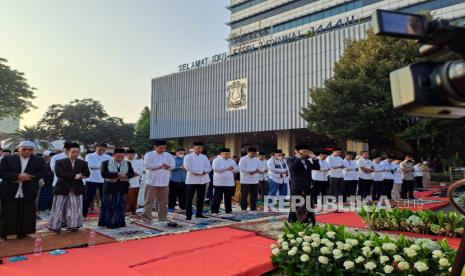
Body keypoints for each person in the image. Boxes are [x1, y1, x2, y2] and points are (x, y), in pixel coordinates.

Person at [0, 141, 45, 240]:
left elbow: (41, 173)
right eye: (24, 149)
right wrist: (17, 176)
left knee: (26, 212)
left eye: (30, 150)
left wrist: (28, 177)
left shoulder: (38, 160)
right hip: (10, 189)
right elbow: (2, 173)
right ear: (18, 148)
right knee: (8, 212)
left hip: (28, 189)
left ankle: (23, 232)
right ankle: (5, 233)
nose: (27, 151)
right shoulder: (7, 159)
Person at [49, 143, 90, 233]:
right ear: (68, 152)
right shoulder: (60, 161)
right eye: (73, 152)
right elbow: (59, 173)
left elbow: (87, 173)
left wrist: (80, 175)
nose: (75, 154)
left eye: (77, 152)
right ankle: (55, 226)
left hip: (76, 187)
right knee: (59, 207)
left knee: (75, 207)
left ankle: (74, 225)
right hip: (62, 187)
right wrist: (75, 176)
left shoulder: (82, 162)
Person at [98, 148, 134, 228]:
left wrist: (126, 175)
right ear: (113, 155)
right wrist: (117, 174)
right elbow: (104, 174)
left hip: (122, 187)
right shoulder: (105, 163)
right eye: (118, 157)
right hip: (110, 187)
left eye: (122, 157)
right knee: (110, 205)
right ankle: (109, 223)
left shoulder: (127, 163)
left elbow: (131, 173)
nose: (120, 159)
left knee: (121, 205)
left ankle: (120, 223)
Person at [143, 141, 175, 222]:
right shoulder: (149, 154)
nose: (163, 149)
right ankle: (146, 218)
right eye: (161, 148)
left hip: (164, 181)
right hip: (152, 181)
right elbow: (147, 165)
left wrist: (168, 166)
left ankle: (163, 218)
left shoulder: (168, 155)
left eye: (164, 148)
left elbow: (173, 166)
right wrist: (159, 166)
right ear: (156, 147)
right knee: (149, 201)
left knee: (163, 202)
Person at [288, 144, 320, 225]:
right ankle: (293, 220)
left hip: (307, 185)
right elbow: (293, 168)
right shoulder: (291, 159)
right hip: (297, 186)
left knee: (308, 204)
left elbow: (317, 167)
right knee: (296, 203)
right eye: (304, 151)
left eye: (307, 151)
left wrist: (315, 158)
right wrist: (299, 157)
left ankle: (307, 219)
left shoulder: (307, 161)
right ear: (297, 151)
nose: (306, 153)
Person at [184, 142, 212, 220]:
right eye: (198, 148)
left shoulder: (204, 157)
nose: (200, 150)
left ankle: (199, 213)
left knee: (201, 197)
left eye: (201, 148)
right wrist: (198, 172)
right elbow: (187, 167)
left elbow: (209, 167)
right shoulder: (188, 157)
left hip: (202, 180)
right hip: (192, 180)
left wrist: (205, 171)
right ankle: (188, 215)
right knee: (189, 198)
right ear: (193, 148)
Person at [83, 143, 111, 217]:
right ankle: (83, 214)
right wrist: (103, 167)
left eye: (103, 150)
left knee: (104, 198)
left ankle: (104, 215)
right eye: (100, 150)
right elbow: (90, 165)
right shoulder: (89, 156)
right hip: (91, 179)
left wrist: (99, 167)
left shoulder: (108, 157)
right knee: (88, 197)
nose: (101, 151)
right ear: (96, 148)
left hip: (104, 180)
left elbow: (110, 167)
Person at [211, 148, 239, 214]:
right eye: (226, 154)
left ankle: (228, 211)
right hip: (219, 182)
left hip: (229, 182)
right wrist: (227, 167)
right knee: (217, 197)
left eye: (228, 154)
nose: (227, 155)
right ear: (221, 154)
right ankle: (214, 211)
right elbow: (216, 168)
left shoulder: (232, 161)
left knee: (228, 198)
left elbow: (237, 170)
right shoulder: (216, 160)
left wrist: (231, 169)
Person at [125, 149, 144, 215]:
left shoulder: (138, 162)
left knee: (134, 200)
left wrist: (130, 174)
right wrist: (132, 174)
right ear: (126, 155)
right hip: (125, 183)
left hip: (135, 184)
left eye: (133, 155)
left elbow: (140, 172)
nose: (131, 156)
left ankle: (133, 213)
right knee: (126, 200)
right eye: (130, 155)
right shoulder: (123, 162)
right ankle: (126, 212)